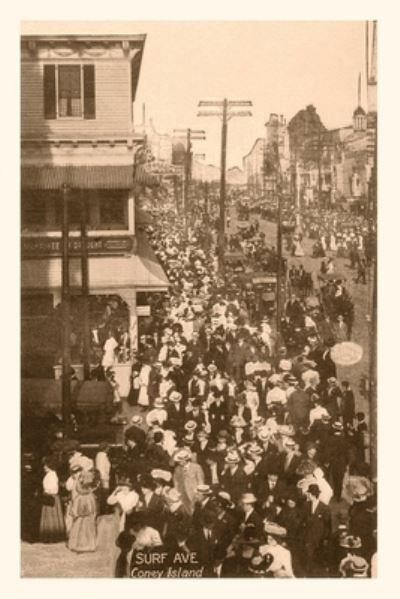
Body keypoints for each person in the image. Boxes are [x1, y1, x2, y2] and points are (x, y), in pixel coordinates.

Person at [67, 469, 99, 553]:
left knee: (79, 530)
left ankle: (79, 546)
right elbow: (93, 509)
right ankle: (89, 545)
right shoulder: (91, 496)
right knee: (87, 530)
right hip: (88, 518)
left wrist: (75, 513)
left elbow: (75, 509)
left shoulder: (80, 497)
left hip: (80, 518)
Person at [39, 456, 65, 543]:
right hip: (49, 496)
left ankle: (52, 536)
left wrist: (46, 491)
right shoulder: (50, 474)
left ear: (50, 465)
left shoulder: (52, 474)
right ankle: (49, 536)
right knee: (49, 516)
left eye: (46, 465)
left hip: (51, 497)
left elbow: (53, 488)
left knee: (51, 516)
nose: (44, 467)